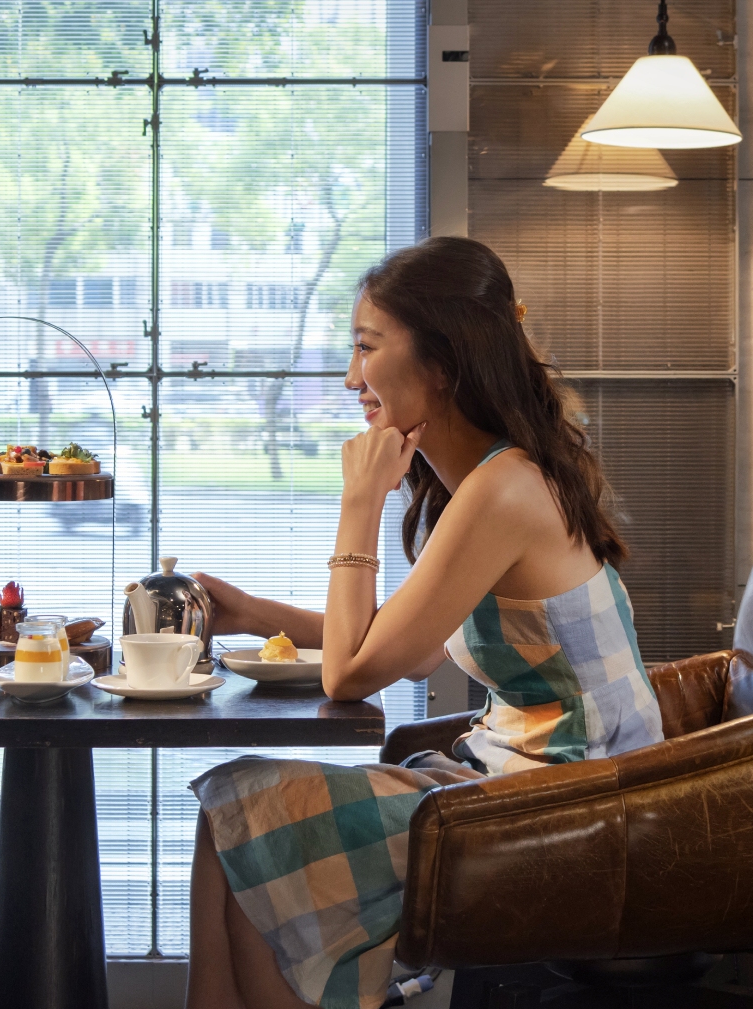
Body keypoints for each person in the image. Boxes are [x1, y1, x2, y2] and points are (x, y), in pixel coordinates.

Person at [185, 236, 663, 1009]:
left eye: (366, 348)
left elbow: (351, 672)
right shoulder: (491, 479)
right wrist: (255, 613)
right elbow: (408, 648)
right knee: (234, 813)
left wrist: (360, 503)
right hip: (530, 788)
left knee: (247, 806)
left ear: (442, 361)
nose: (351, 379)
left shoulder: (503, 489)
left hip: (576, 815)